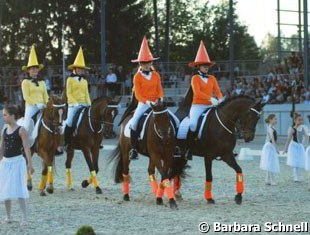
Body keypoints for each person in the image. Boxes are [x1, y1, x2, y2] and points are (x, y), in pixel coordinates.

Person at [178, 41, 223, 159]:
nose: (206, 67)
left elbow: (217, 90)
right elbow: (197, 93)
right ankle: (189, 148)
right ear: (198, 66)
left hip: (210, 106)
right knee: (192, 125)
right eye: (204, 65)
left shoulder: (212, 78)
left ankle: (220, 148)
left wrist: (220, 98)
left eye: (207, 65)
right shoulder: (195, 78)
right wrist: (210, 98)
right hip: (198, 106)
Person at [124, 36, 164, 160]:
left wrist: (160, 99)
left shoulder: (156, 75)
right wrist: (147, 102)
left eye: (149, 63)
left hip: (156, 103)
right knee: (134, 123)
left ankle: (175, 146)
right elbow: (138, 94)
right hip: (143, 103)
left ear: (151, 63)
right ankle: (134, 149)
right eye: (144, 63)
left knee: (173, 120)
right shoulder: (137, 77)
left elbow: (160, 89)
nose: (147, 65)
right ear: (140, 64)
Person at [0, 105, 34, 225]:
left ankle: (25, 217)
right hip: (6, 163)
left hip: (17, 162)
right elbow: (2, 147)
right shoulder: (4, 129)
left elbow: (26, 147)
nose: (3, 117)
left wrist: (30, 163)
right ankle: (8, 216)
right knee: (5, 190)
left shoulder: (21, 130)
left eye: (5, 115)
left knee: (20, 189)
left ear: (12, 116)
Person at [64, 47, 91, 150]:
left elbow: (86, 94)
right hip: (73, 105)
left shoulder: (84, 81)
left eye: (82, 69)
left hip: (84, 104)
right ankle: (67, 143)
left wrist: (89, 103)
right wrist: (75, 103)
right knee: (69, 122)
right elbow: (69, 93)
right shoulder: (69, 79)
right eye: (78, 68)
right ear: (74, 69)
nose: (80, 70)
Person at [21, 45, 49, 135]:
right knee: (27, 125)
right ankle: (24, 145)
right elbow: (26, 97)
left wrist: (46, 104)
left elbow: (45, 95)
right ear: (28, 70)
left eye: (36, 68)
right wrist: (36, 104)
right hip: (31, 107)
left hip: (43, 107)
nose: (35, 70)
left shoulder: (42, 82)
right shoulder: (25, 82)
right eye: (32, 69)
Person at [284, 112, 308, 182]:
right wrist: (286, 148)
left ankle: (297, 175)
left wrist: (307, 142)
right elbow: (288, 139)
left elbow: (306, 137)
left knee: (299, 161)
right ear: (295, 120)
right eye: (299, 120)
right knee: (294, 161)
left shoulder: (302, 129)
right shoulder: (292, 129)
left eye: (301, 120)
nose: (300, 121)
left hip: (300, 146)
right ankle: (295, 176)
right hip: (294, 146)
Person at [260, 114, 280, 185]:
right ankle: (272, 180)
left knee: (269, 163)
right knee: (271, 163)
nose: (276, 120)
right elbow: (272, 139)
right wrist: (276, 148)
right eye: (275, 119)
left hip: (269, 146)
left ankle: (267, 180)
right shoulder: (270, 128)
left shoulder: (271, 127)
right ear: (270, 120)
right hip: (270, 146)